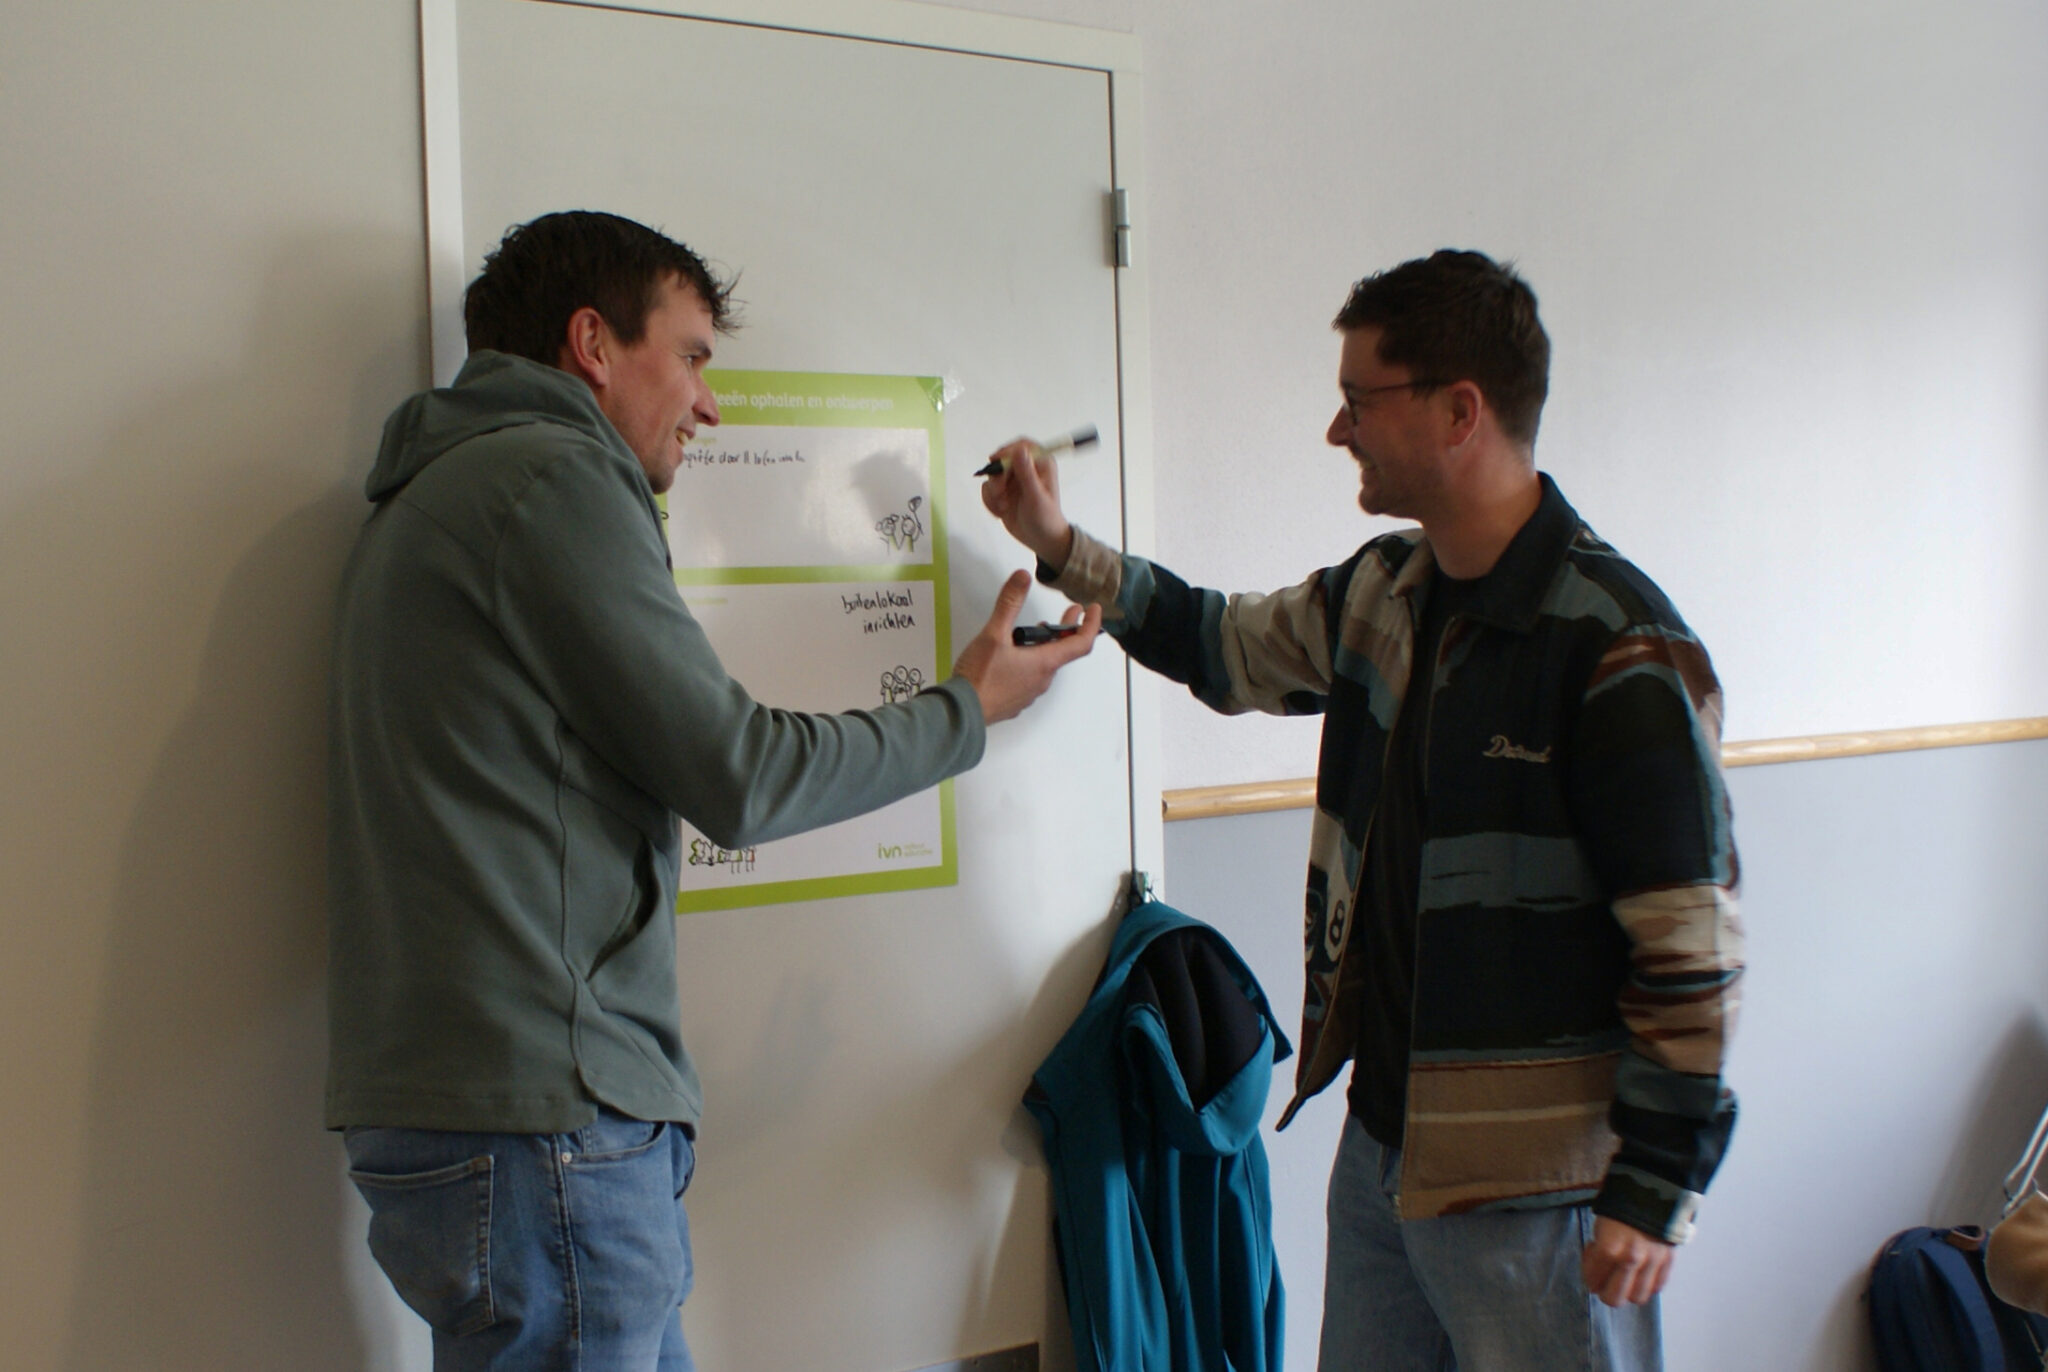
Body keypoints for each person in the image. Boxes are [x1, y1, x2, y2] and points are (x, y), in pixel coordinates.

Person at [327, 209, 1100, 1371]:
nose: (708, 404)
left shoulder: (438, 491)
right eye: (690, 356)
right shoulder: (549, 478)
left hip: (487, 1115)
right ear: (592, 344)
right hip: (546, 1126)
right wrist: (964, 710)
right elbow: (740, 775)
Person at [980, 249, 1741, 1372]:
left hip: (1544, 1195)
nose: (1338, 431)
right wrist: (1058, 546)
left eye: (1358, 401)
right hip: (1385, 1155)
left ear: (1459, 411)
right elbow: (1221, 643)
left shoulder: (1618, 648)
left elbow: (1690, 945)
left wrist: (1657, 1181)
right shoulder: (1385, 591)